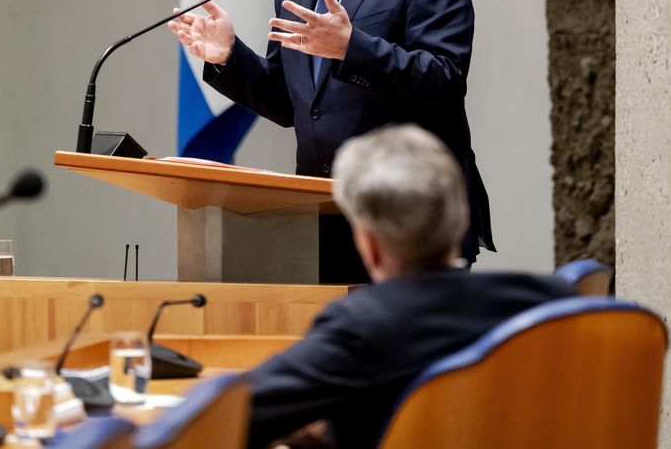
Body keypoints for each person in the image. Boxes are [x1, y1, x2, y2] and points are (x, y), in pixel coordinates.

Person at [169, 0, 492, 282]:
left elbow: (442, 79)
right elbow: (290, 103)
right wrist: (228, 57)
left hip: (408, 215)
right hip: (322, 215)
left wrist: (350, 48)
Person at [237, 125, 574, 448]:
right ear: (462, 219)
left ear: (369, 244)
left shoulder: (360, 326)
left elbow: (229, 416)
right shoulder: (553, 303)